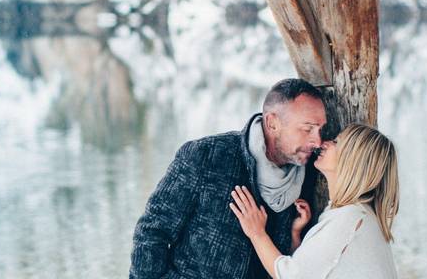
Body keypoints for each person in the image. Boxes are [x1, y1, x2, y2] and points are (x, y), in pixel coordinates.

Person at [129, 78, 332, 279]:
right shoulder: (206, 156)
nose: (317, 140)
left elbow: (290, 269)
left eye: (320, 130)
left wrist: (294, 238)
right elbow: (152, 232)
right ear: (272, 124)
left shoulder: (310, 176)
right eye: (307, 129)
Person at [230, 123, 399, 279]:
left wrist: (257, 232)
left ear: (353, 161)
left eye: (337, 142)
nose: (324, 143)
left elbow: (292, 276)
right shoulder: (357, 214)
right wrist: (297, 238)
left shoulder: (350, 218)